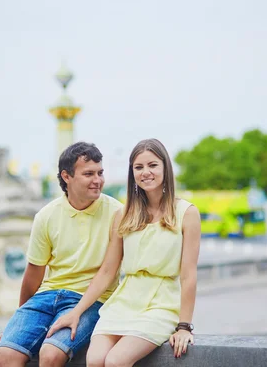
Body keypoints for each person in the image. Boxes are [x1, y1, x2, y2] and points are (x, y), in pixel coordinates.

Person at [47, 138, 201, 366]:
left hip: (160, 304)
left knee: (116, 361)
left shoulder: (186, 213)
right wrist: (77, 312)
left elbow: (188, 275)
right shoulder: (124, 214)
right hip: (123, 302)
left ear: (165, 168)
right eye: (138, 167)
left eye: (152, 165)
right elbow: (108, 270)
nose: (145, 172)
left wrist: (184, 326)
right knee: (95, 359)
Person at [0, 142, 123, 367]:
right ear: (67, 176)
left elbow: (108, 271)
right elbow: (34, 273)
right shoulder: (46, 215)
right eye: (89, 174)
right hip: (47, 296)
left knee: (51, 354)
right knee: (5, 356)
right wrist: (21, 317)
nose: (98, 180)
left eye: (100, 173)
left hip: (90, 300)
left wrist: (76, 312)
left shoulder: (117, 213)